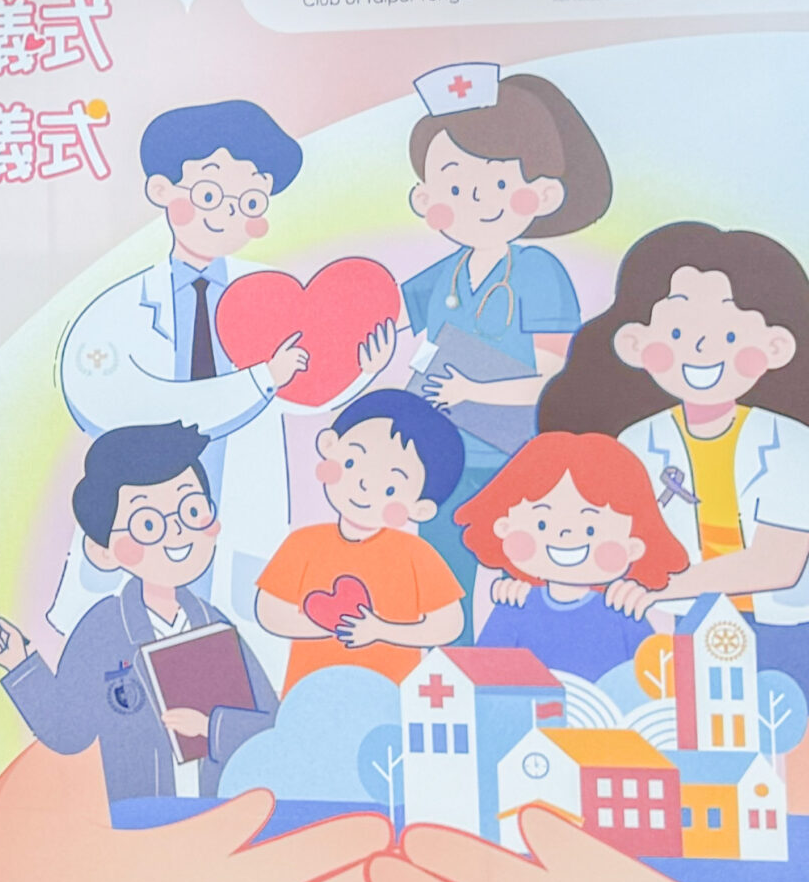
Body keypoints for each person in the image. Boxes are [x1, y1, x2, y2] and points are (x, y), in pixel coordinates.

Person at [53, 99, 393, 683]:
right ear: (162, 190)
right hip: (149, 510)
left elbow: (301, 389)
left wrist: (361, 373)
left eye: (251, 203)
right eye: (210, 195)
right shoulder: (119, 309)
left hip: (236, 501)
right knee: (133, 658)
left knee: (235, 658)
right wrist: (260, 379)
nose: (228, 215)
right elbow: (118, 405)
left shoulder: (270, 294)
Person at [537, 221, 809, 689]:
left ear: (776, 347)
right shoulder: (636, 442)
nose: (700, 348)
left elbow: (778, 564)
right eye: (678, 332)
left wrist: (663, 586)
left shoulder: (791, 443)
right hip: (676, 625)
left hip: (778, 629)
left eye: (729, 337)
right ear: (635, 344)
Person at [398, 64, 613, 638]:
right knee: (444, 589)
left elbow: (555, 377)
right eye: (454, 187)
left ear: (542, 194)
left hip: (515, 462)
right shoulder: (445, 273)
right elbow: (385, 322)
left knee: (524, 590)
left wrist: (476, 390)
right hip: (442, 462)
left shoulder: (539, 271)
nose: (476, 200)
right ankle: (450, 675)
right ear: (425, 197)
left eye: (496, 184)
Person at [0, 423, 276, 801]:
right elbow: (69, 732)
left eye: (192, 510)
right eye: (148, 524)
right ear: (103, 551)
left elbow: (271, 724)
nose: (177, 533)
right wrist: (20, 664)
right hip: (141, 819)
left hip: (222, 810)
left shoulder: (214, 624)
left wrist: (211, 728)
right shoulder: (103, 630)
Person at [255, 388, 468, 690]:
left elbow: (449, 624)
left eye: (391, 488)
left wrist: (380, 630)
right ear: (329, 445)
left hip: (389, 693)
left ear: (420, 508)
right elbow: (269, 612)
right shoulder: (303, 544)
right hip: (310, 692)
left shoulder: (416, 554)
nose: (364, 485)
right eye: (352, 463)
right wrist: (330, 623)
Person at [458, 431, 685, 681]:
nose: (564, 533)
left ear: (633, 547)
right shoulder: (516, 606)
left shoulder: (622, 612)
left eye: (591, 529)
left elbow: (656, 677)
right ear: (503, 527)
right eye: (542, 524)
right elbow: (483, 672)